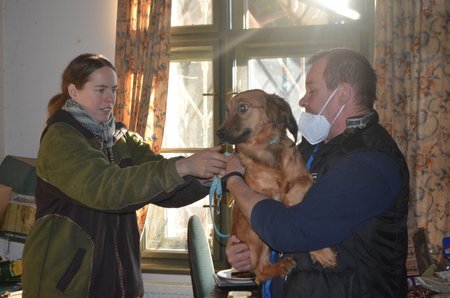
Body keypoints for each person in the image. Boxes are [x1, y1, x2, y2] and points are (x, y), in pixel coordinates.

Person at [21, 53, 227, 297]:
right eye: (100, 90)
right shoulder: (61, 139)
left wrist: (201, 177)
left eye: (114, 90)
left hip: (119, 284)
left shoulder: (120, 138)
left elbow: (164, 190)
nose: (110, 99)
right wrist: (184, 167)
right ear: (74, 92)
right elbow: (107, 189)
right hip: (68, 287)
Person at [223, 48, 410, 297]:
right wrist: (248, 249)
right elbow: (276, 211)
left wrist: (234, 181)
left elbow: (291, 231)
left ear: (342, 94)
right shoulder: (314, 148)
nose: (302, 101)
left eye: (312, 91)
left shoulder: (368, 163)